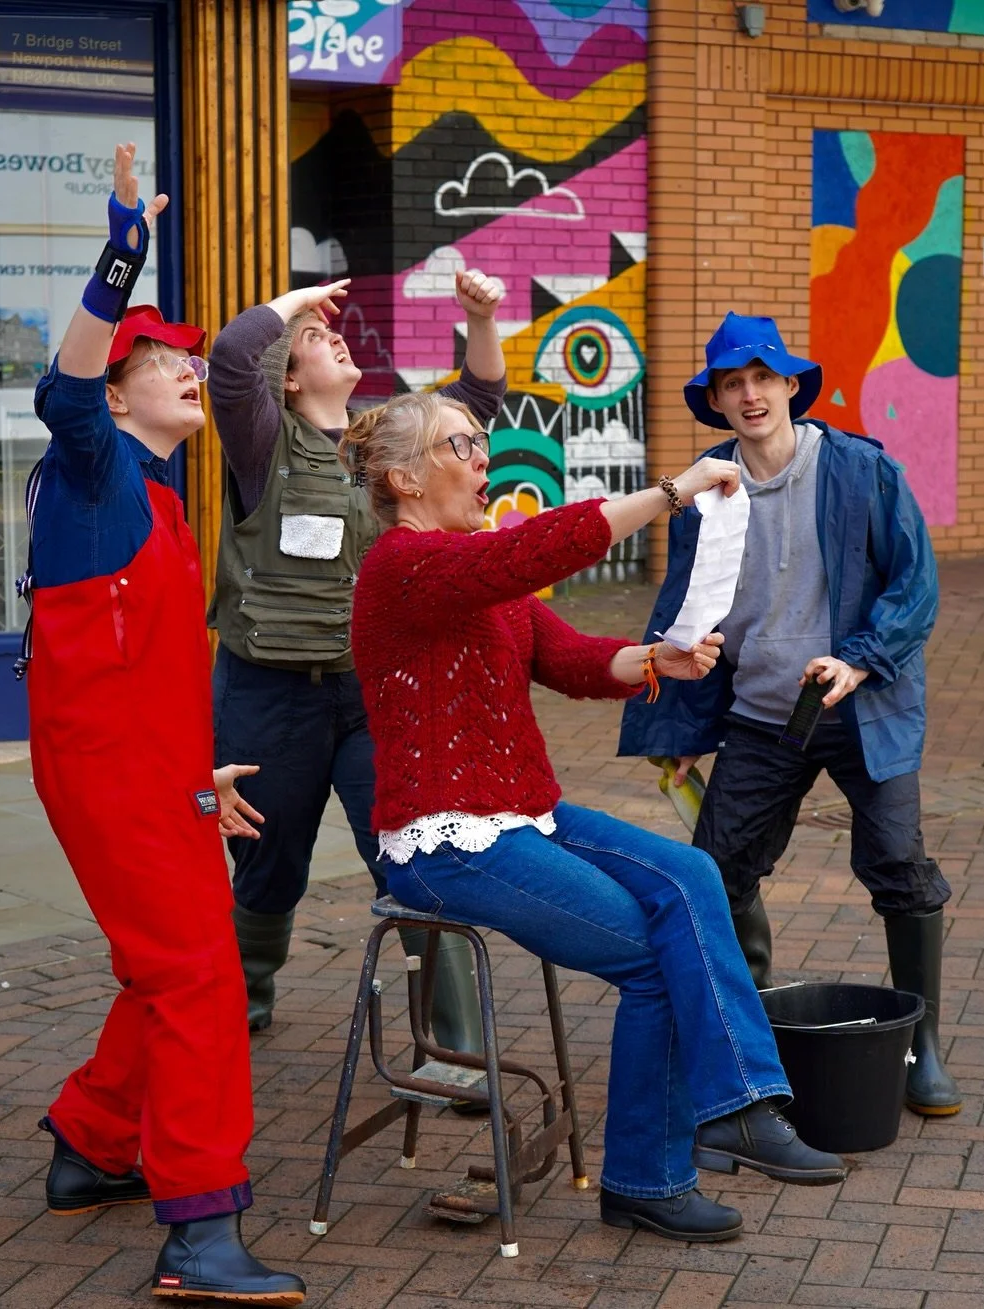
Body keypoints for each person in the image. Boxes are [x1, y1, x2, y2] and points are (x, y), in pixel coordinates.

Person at [345, 391, 849, 1243]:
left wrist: (658, 658)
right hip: (444, 841)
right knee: (655, 955)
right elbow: (545, 545)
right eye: (460, 443)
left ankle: (744, 1105)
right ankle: (647, 1177)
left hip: (521, 813)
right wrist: (672, 492)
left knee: (692, 875)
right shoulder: (405, 565)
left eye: (480, 439)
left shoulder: (478, 567)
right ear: (402, 477)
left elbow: (570, 656)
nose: (481, 456)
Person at [18, 143, 304, 1304]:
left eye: (193, 358)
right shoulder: (94, 462)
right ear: (122, 388)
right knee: (198, 980)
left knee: (168, 970)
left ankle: (92, 1142)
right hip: (108, 781)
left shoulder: (153, 491)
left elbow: (148, 667)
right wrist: (122, 245)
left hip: (155, 777)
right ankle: (198, 1223)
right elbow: (64, 387)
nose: (190, 369)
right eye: (167, 359)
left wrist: (200, 776)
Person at [619, 312, 960, 1118]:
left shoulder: (858, 470)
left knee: (900, 869)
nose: (749, 394)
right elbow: (687, 608)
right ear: (719, 400)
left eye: (761, 378)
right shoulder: (706, 487)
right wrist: (676, 723)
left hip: (861, 700)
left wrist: (861, 655)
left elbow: (917, 586)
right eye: (732, 384)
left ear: (789, 386)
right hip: (767, 710)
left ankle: (920, 1047)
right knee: (716, 867)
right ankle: (752, 1034)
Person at [206, 270, 506, 1042]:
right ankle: (242, 1001)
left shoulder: (382, 450)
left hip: (372, 690)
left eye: (327, 327)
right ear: (291, 378)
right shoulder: (263, 444)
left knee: (408, 845)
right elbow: (235, 359)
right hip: (268, 692)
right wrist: (292, 306)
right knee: (271, 860)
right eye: (311, 338)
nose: (329, 331)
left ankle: (453, 1037)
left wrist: (479, 319)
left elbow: (472, 411)